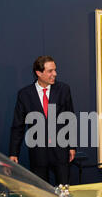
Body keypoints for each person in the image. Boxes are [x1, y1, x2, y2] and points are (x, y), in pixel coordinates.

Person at [9, 56, 76, 185]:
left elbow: (70, 119)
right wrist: (13, 153)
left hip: (61, 150)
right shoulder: (25, 94)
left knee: (64, 190)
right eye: (50, 71)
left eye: (55, 70)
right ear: (39, 73)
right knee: (41, 191)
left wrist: (72, 146)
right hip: (38, 152)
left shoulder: (63, 90)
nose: (55, 74)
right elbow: (18, 126)